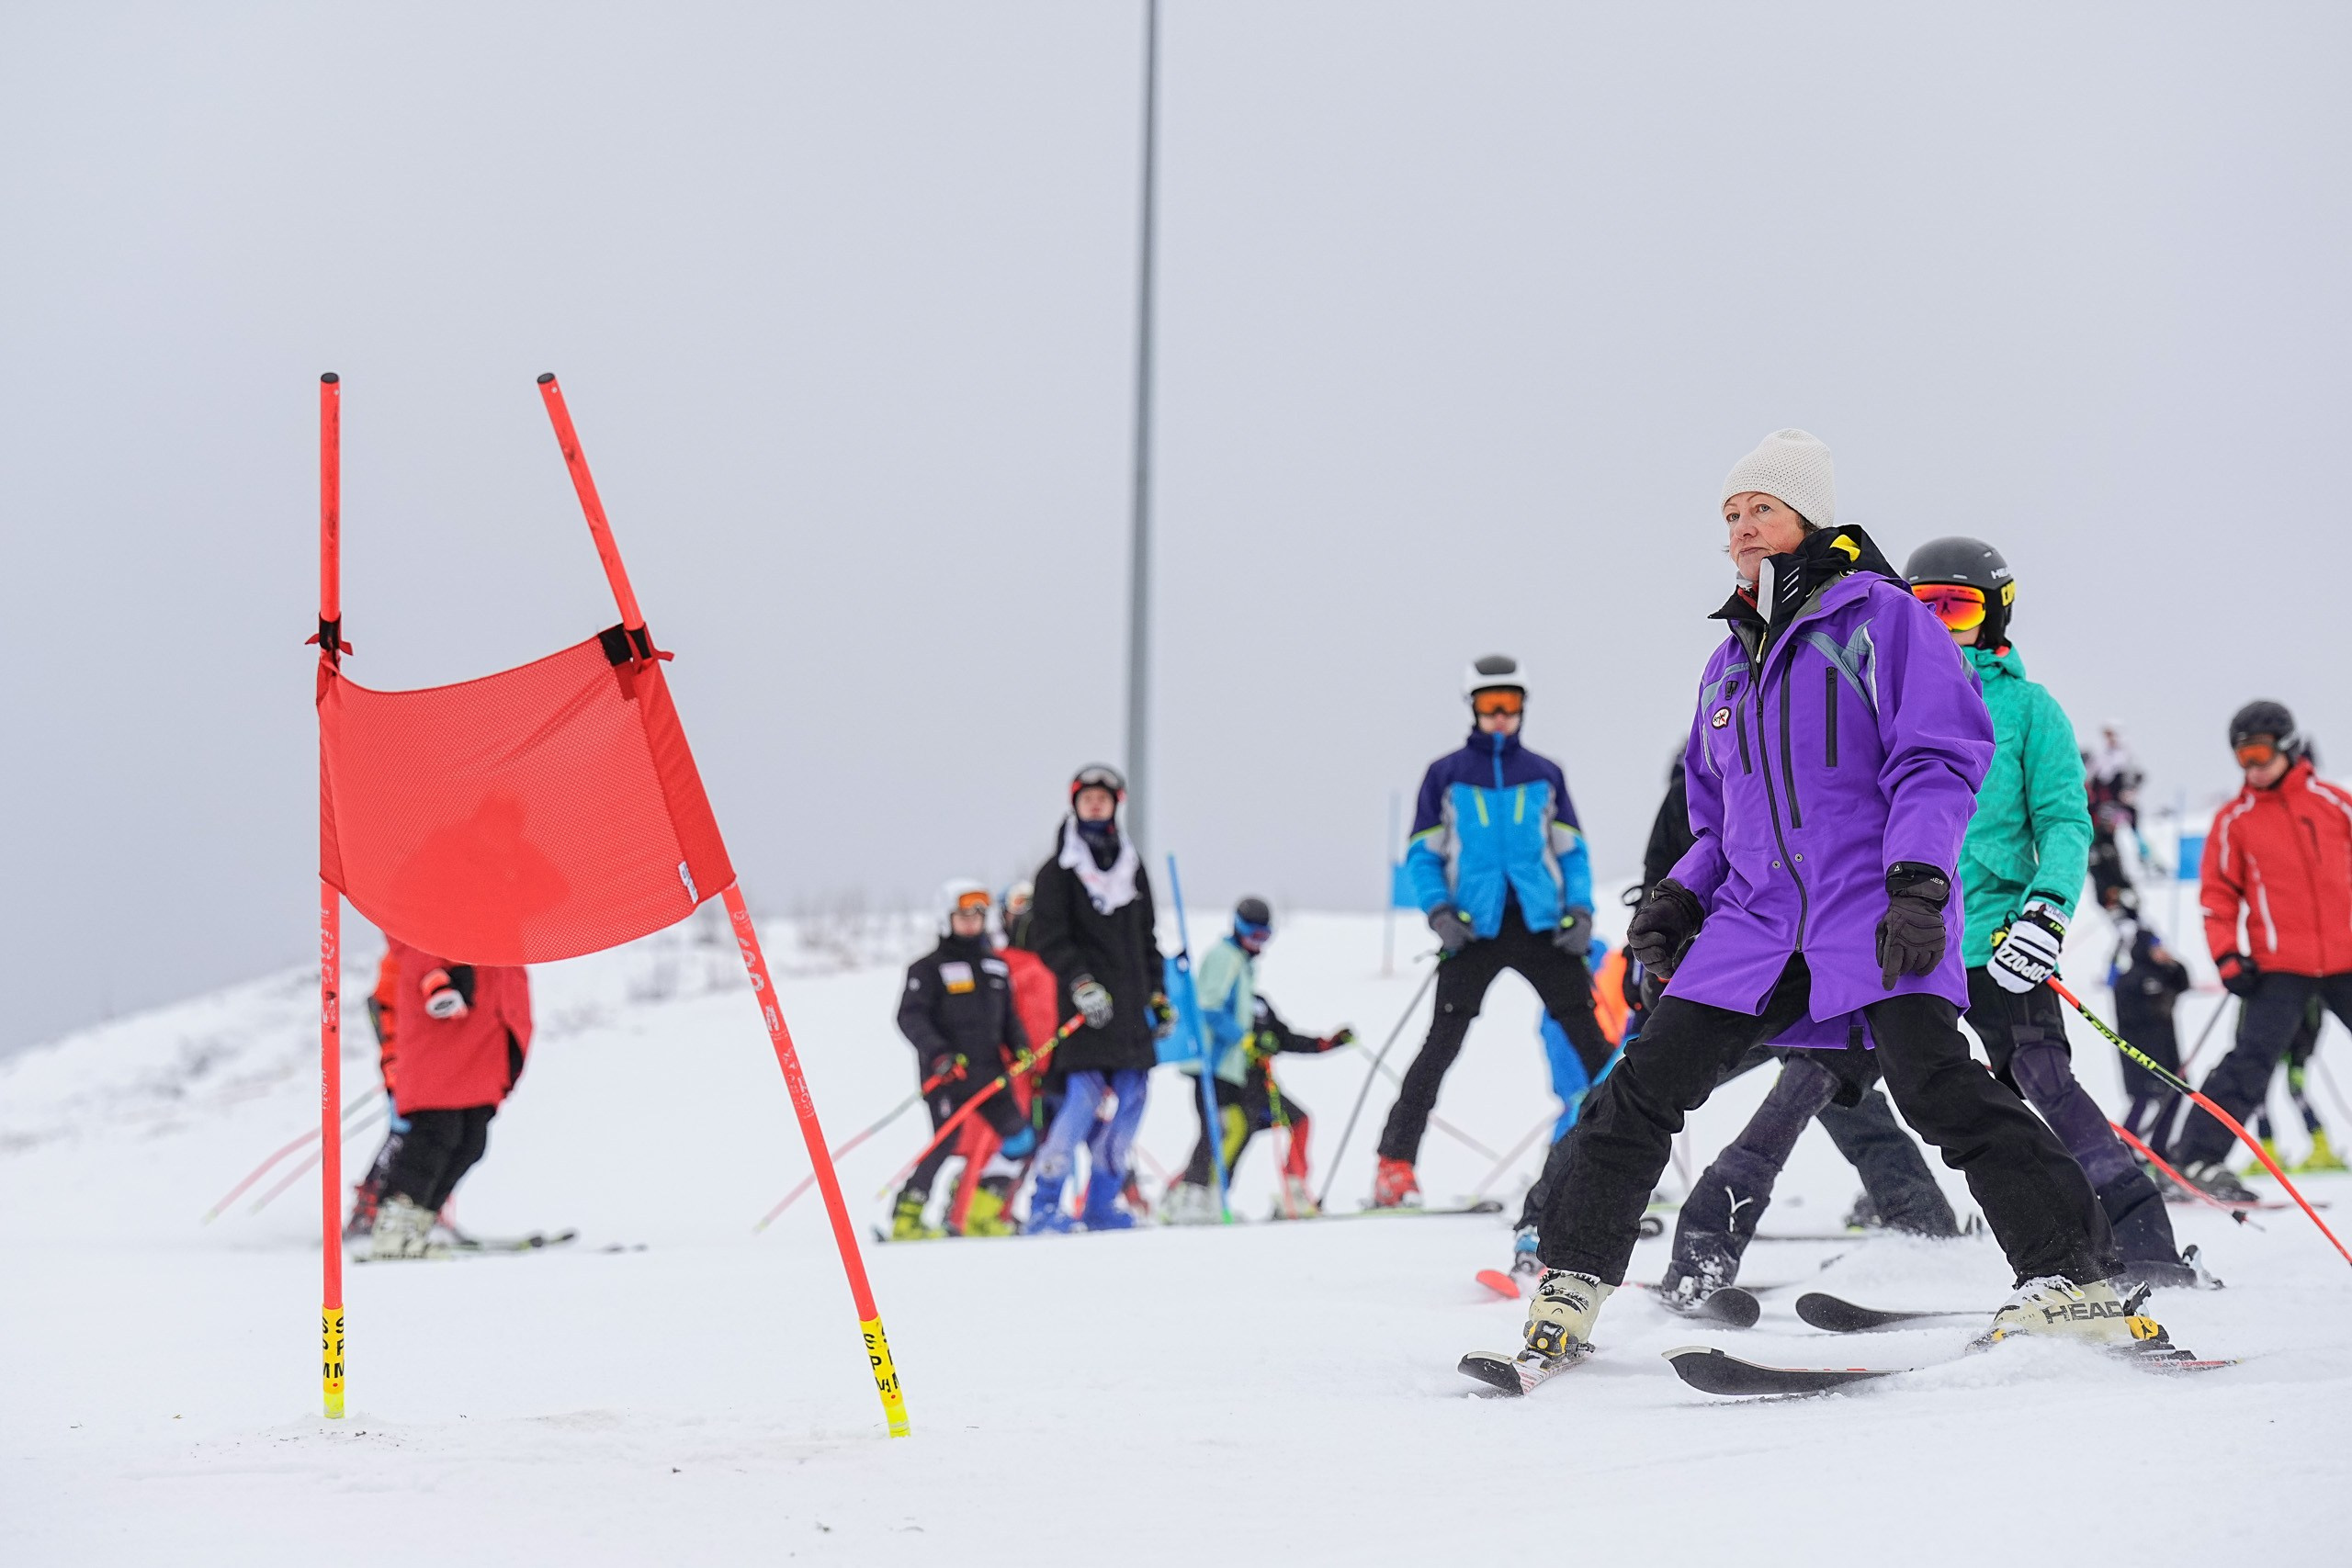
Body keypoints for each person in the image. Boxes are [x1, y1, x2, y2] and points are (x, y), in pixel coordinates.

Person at [1504, 429, 2177, 1371]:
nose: (1741, 528)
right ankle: (1571, 1281)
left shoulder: (1881, 621)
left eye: (1760, 509)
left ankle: (2074, 1277)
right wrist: (1676, 899)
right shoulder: (1727, 662)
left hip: (1871, 911)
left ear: (1808, 517)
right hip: (1754, 926)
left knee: (1939, 1088)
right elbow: (1718, 818)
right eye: (1730, 514)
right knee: (1640, 1085)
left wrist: (1918, 881)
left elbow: (1938, 760)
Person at [1506, 761, 1959, 1282]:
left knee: (1834, 1096)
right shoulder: (1689, 793)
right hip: (1724, 988)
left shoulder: (1831, 766)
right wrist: (1654, 964)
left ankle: (1920, 1222)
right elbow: (1661, 883)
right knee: (1622, 1096)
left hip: (1820, 982)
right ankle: (1542, 1226)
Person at [1901, 536, 2188, 1285]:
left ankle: (2146, 1243)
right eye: (1921, 606)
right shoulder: (1889, 704)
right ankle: (2033, 1244)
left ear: (1993, 615)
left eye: (1955, 606)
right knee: (1909, 1088)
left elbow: (2065, 821)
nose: (1936, 622)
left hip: (1999, 932)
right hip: (1915, 938)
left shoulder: (2028, 710)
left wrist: (2046, 910)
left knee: (2041, 1079)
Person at [1374, 655, 1614, 1206]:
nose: (1501, 716)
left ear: (1523, 707)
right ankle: (1394, 1168)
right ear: (1473, 709)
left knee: (1592, 1045)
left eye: (1510, 705)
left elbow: (1572, 852)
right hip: (1471, 929)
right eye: (1489, 706)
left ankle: (1627, 1157)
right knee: (1440, 1046)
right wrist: (1439, 912)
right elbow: (1422, 855)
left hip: (1542, 927)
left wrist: (1579, 913)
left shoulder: (1545, 774)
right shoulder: (1447, 775)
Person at [2177, 701, 2352, 1198]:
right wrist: (2228, 955)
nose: (2251, 767)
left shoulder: (2335, 804)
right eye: (2242, 757)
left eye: (2259, 753)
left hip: (2346, 958)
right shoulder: (2236, 821)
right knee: (2250, 1062)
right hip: (2279, 965)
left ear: (2288, 746)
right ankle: (2197, 1160)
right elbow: (2217, 895)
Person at [1023, 763, 1168, 1233]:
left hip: (1128, 1011)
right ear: (1075, 803)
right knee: (1081, 1101)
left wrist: (1158, 994)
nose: (1095, 805)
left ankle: (1102, 1205)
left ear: (1116, 805)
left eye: (1104, 798)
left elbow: (1146, 938)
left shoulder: (1131, 866)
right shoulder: (1058, 871)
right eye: (1087, 798)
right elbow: (1049, 937)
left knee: (1131, 1100)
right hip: (1084, 1009)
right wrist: (1080, 982)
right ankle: (1045, 1204)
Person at [1161, 898, 1354, 1222]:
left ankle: (1209, 1195)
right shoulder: (1226, 959)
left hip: (1240, 1076)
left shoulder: (1252, 992)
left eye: (1265, 937)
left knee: (1241, 1128)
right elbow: (1208, 1007)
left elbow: (1282, 1037)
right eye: (1253, 935)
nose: (1258, 944)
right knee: (1229, 1127)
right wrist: (1243, 1037)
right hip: (1218, 1066)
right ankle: (1191, 1194)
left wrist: (1327, 1043)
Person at [888, 880, 1035, 1240]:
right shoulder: (927, 969)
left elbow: (1008, 1019)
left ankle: (981, 1213)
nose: (971, 923)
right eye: (963, 916)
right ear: (946, 919)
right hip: (947, 1075)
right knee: (947, 1143)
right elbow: (910, 1018)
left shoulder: (994, 967)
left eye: (978, 916)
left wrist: (1021, 1047)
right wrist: (939, 1054)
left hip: (990, 1075)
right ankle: (907, 1217)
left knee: (1020, 1141)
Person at [368, 940, 533, 1260]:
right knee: (436, 1132)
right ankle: (393, 1230)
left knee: (472, 1140)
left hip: (486, 1026)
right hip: (443, 1020)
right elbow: (409, 932)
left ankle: (418, 1225)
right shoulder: (440, 895)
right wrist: (434, 978)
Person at [2109, 911, 2191, 1146]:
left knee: (2174, 1097)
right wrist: (2156, 1004)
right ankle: (2124, 1148)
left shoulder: (2164, 974)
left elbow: (2184, 981)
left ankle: (2158, 1147)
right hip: (2140, 1055)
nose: (2159, 951)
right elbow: (2130, 1017)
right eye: (2155, 947)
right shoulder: (2130, 980)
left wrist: (2172, 962)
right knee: (2142, 1100)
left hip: (2168, 1052)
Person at [344, 950, 409, 1241]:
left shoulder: (402, 958)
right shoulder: (399, 962)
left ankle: (396, 1208)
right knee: (402, 1133)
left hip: (415, 1064)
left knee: (417, 1136)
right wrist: (394, 1062)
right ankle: (368, 1210)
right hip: (402, 1065)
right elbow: (388, 1018)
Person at [2084, 722, 2143, 913]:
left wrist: (2122, 808)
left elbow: (2132, 786)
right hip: (2098, 824)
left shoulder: (2126, 761)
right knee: (2099, 860)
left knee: (2115, 856)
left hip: (2118, 818)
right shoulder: (2100, 761)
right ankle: (2111, 897)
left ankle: (2125, 893)